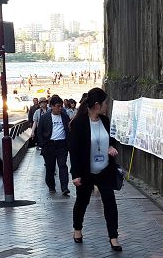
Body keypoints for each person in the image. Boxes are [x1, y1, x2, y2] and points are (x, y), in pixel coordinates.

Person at [69, 87, 122, 251]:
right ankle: (77, 229)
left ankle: (113, 237)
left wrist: (111, 147)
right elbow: (74, 151)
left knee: (110, 203)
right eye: (106, 103)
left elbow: (110, 139)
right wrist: (76, 174)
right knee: (82, 202)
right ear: (97, 105)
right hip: (86, 172)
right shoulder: (79, 123)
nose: (107, 106)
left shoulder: (105, 121)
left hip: (105, 170)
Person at [37, 95, 71, 195]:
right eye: (57, 106)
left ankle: (64, 187)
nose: (60, 108)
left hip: (62, 145)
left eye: (61, 106)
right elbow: (40, 132)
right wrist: (43, 144)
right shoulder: (45, 118)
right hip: (49, 145)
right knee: (50, 167)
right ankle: (51, 186)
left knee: (63, 166)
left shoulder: (65, 117)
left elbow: (69, 130)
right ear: (51, 106)